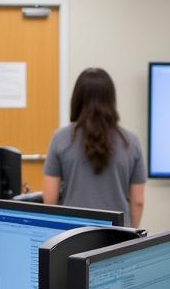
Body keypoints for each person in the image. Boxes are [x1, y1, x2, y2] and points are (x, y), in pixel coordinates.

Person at [43, 67, 145, 226]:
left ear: (77, 99)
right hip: (117, 235)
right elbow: (138, 201)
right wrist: (132, 235)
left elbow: (50, 199)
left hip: (72, 235)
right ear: (111, 101)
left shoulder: (60, 138)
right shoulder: (131, 141)